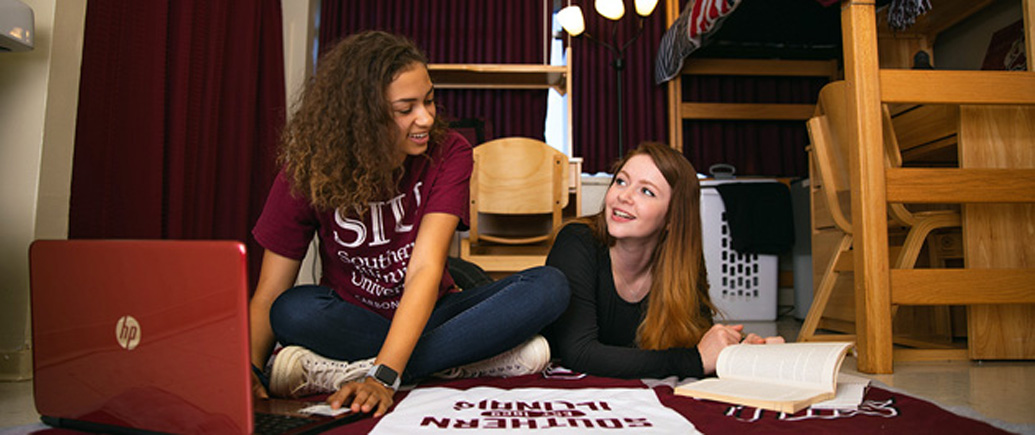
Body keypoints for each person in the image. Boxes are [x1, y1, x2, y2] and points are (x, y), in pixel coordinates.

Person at [249, 31, 569, 417]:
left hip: (434, 311)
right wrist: (248, 369)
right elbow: (270, 289)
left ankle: (350, 371)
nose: (426, 118)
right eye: (406, 108)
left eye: (429, 100)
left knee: (549, 286)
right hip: (353, 319)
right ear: (362, 116)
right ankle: (466, 361)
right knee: (290, 310)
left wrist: (383, 376)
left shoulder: (450, 151)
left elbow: (425, 270)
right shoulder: (306, 170)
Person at [543, 142, 783, 380]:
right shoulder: (577, 241)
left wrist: (739, 350)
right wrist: (695, 361)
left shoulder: (680, 265)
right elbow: (579, 353)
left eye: (646, 191)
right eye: (621, 181)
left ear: (672, 219)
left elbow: (698, 341)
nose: (624, 196)